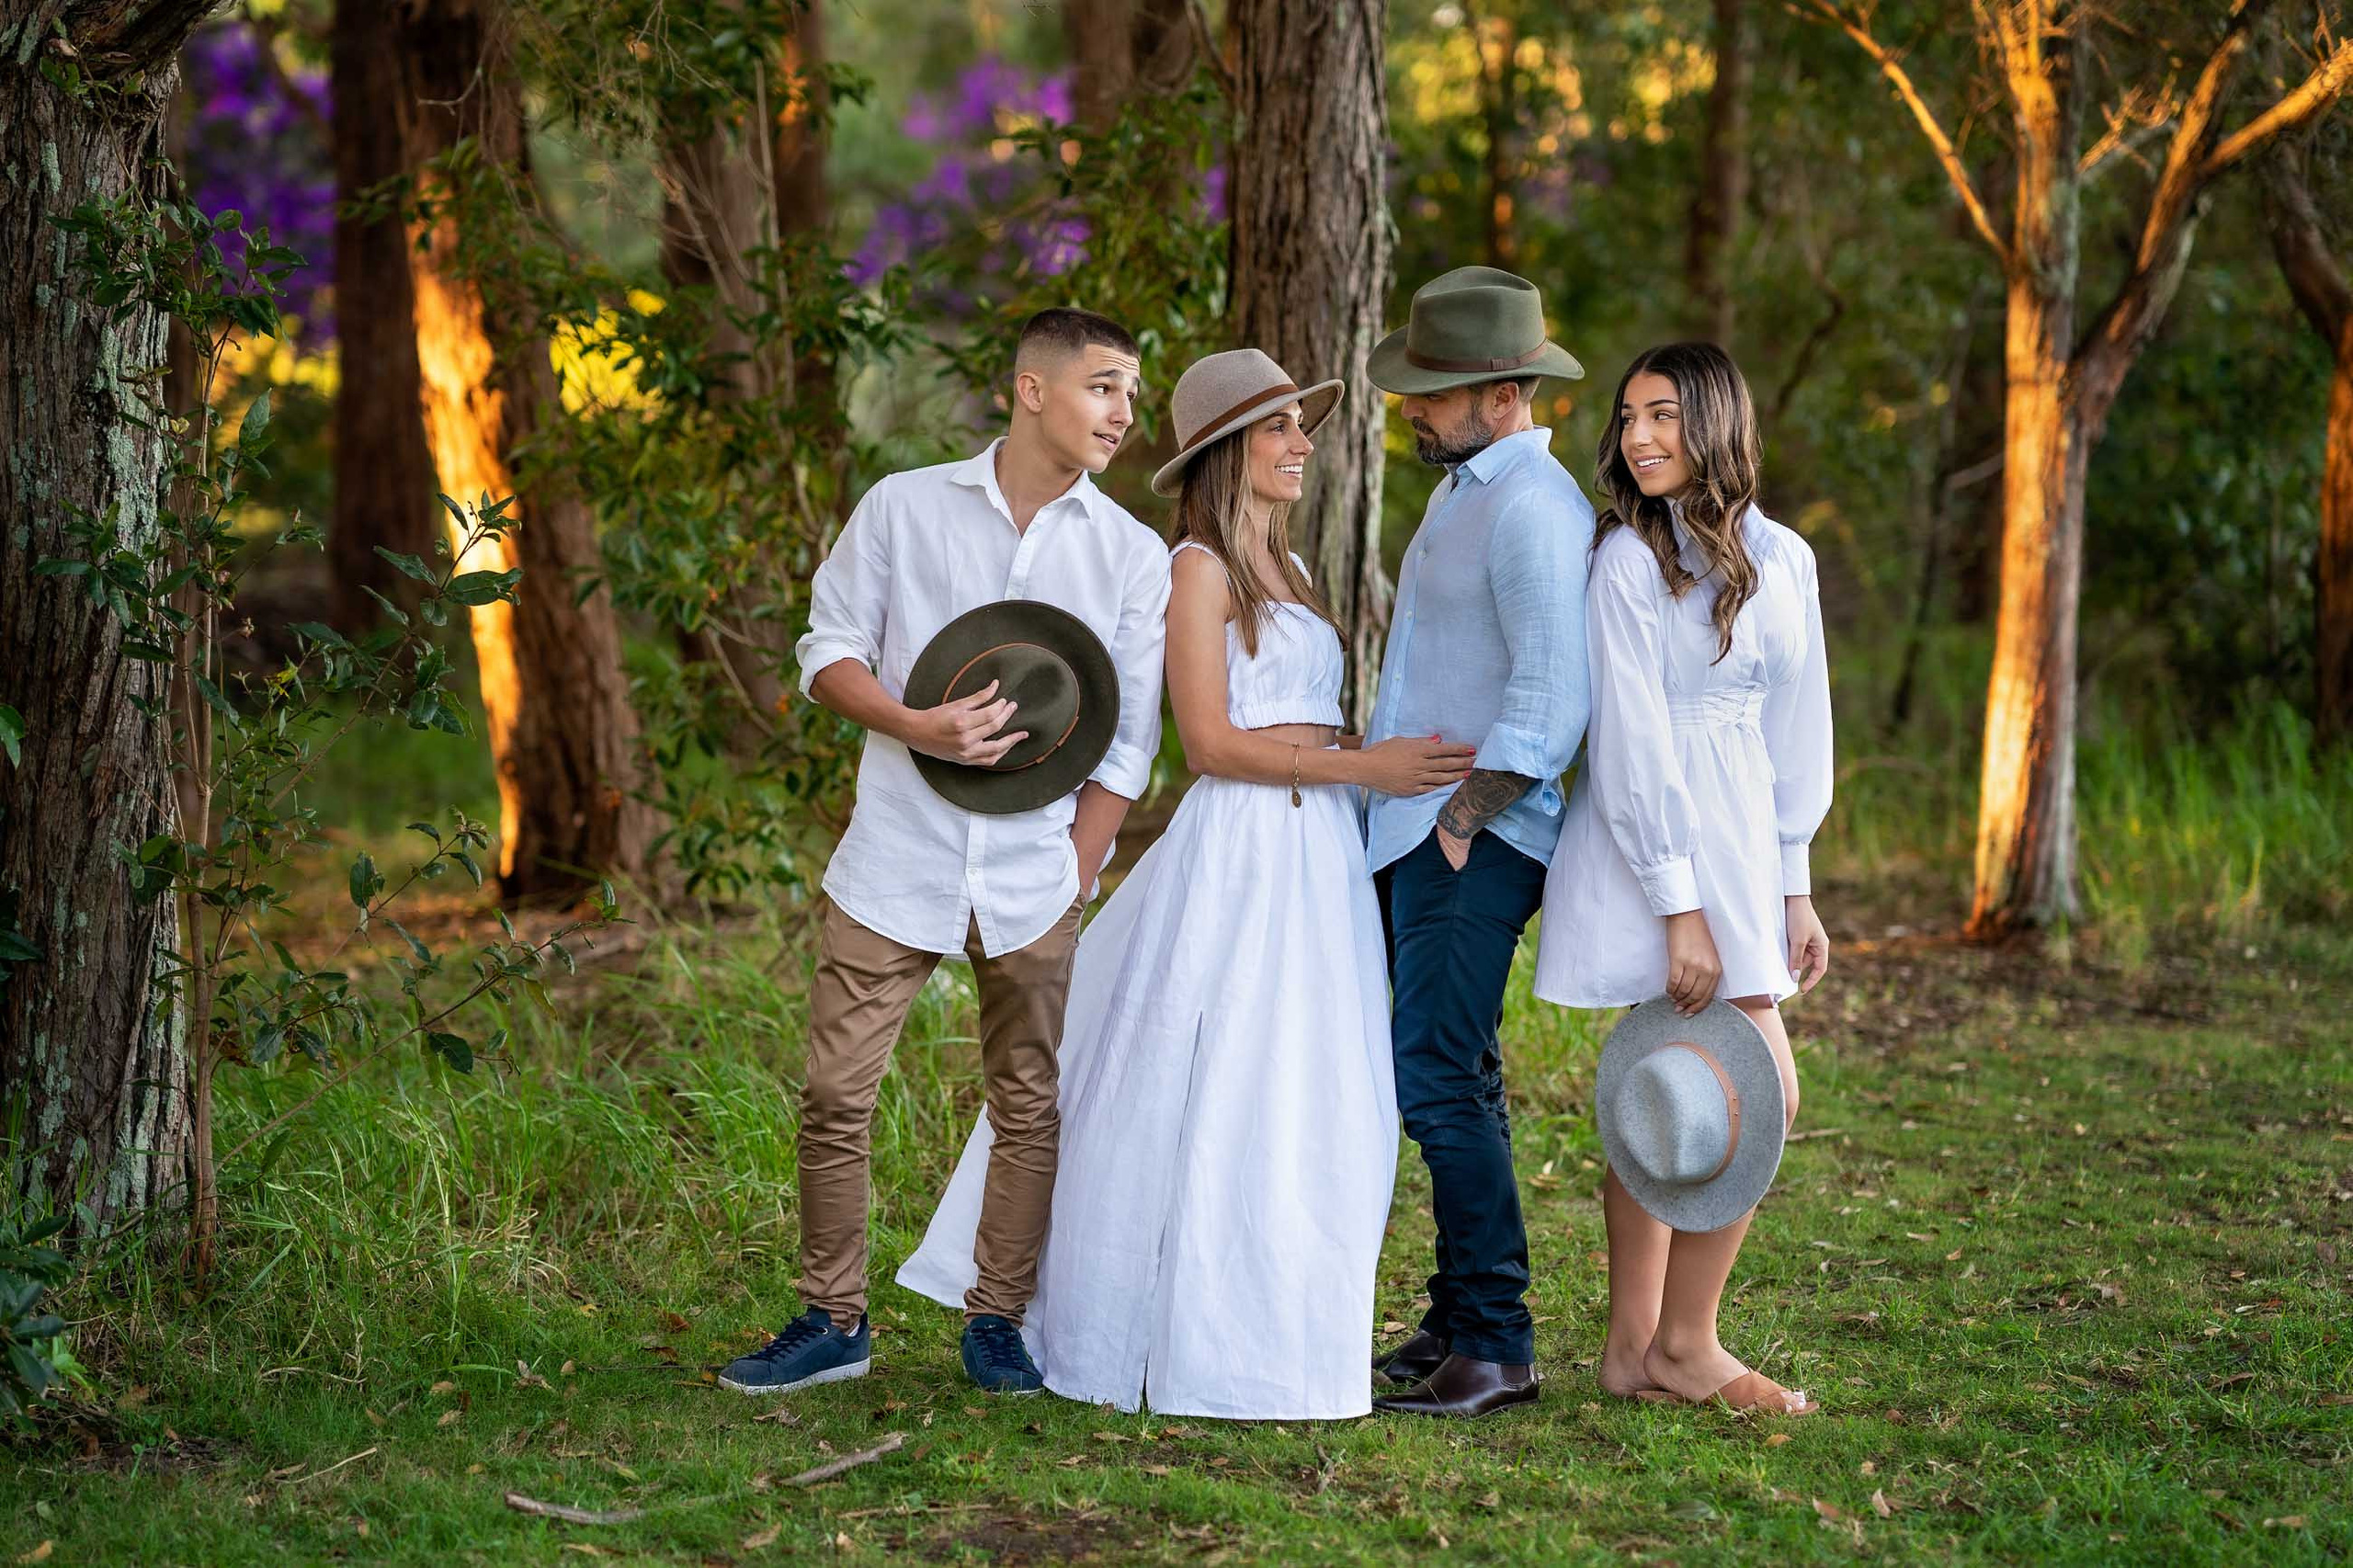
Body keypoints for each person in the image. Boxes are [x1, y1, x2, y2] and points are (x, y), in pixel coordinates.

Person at [900, 349, 1476, 1417]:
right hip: (1244, 846)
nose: (1303, 444)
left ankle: (1278, 1330)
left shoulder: (1291, 573)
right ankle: (1144, 1324)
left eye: (1301, 427)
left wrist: (1373, 764)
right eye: (1280, 429)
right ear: (1227, 449)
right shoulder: (1198, 565)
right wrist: (1364, 766)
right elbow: (1208, 741)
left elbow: (1298, 715)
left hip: (1314, 854)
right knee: (1212, 1079)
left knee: (1314, 1087)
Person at [719, 308, 1173, 1399]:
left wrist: (1078, 867)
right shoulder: (903, 506)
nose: (1123, 412)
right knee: (835, 1092)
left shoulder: (1130, 553)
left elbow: (1129, 744)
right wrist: (917, 724)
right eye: (1104, 387)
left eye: (1130, 392)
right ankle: (834, 1318)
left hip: (1034, 873)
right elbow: (826, 647)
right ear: (1030, 389)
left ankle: (997, 1322)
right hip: (896, 854)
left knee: (1027, 1101)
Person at [1531, 340, 1833, 1416]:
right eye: (1626, 418)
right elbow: (1629, 742)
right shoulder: (1626, 560)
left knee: (1674, 1097)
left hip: (1744, 843)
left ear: (1714, 419)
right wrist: (1680, 907)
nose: (1639, 436)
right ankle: (1685, 1345)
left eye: (1660, 413)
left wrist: (1793, 880)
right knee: (1746, 1092)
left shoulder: (1782, 557)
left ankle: (1631, 1350)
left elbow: (1798, 730)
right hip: (1655, 847)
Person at [1358, 267, 1597, 1419]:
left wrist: (1460, 822)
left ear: (1504, 393)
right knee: (1457, 1070)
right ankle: (1459, 1315)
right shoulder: (1466, 487)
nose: (1414, 405)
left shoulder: (1535, 508)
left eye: (1436, 390)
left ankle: (1497, 1341)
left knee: (1436, 1077)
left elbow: (1553, 698)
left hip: (1476, 832)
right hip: (1425, 827)